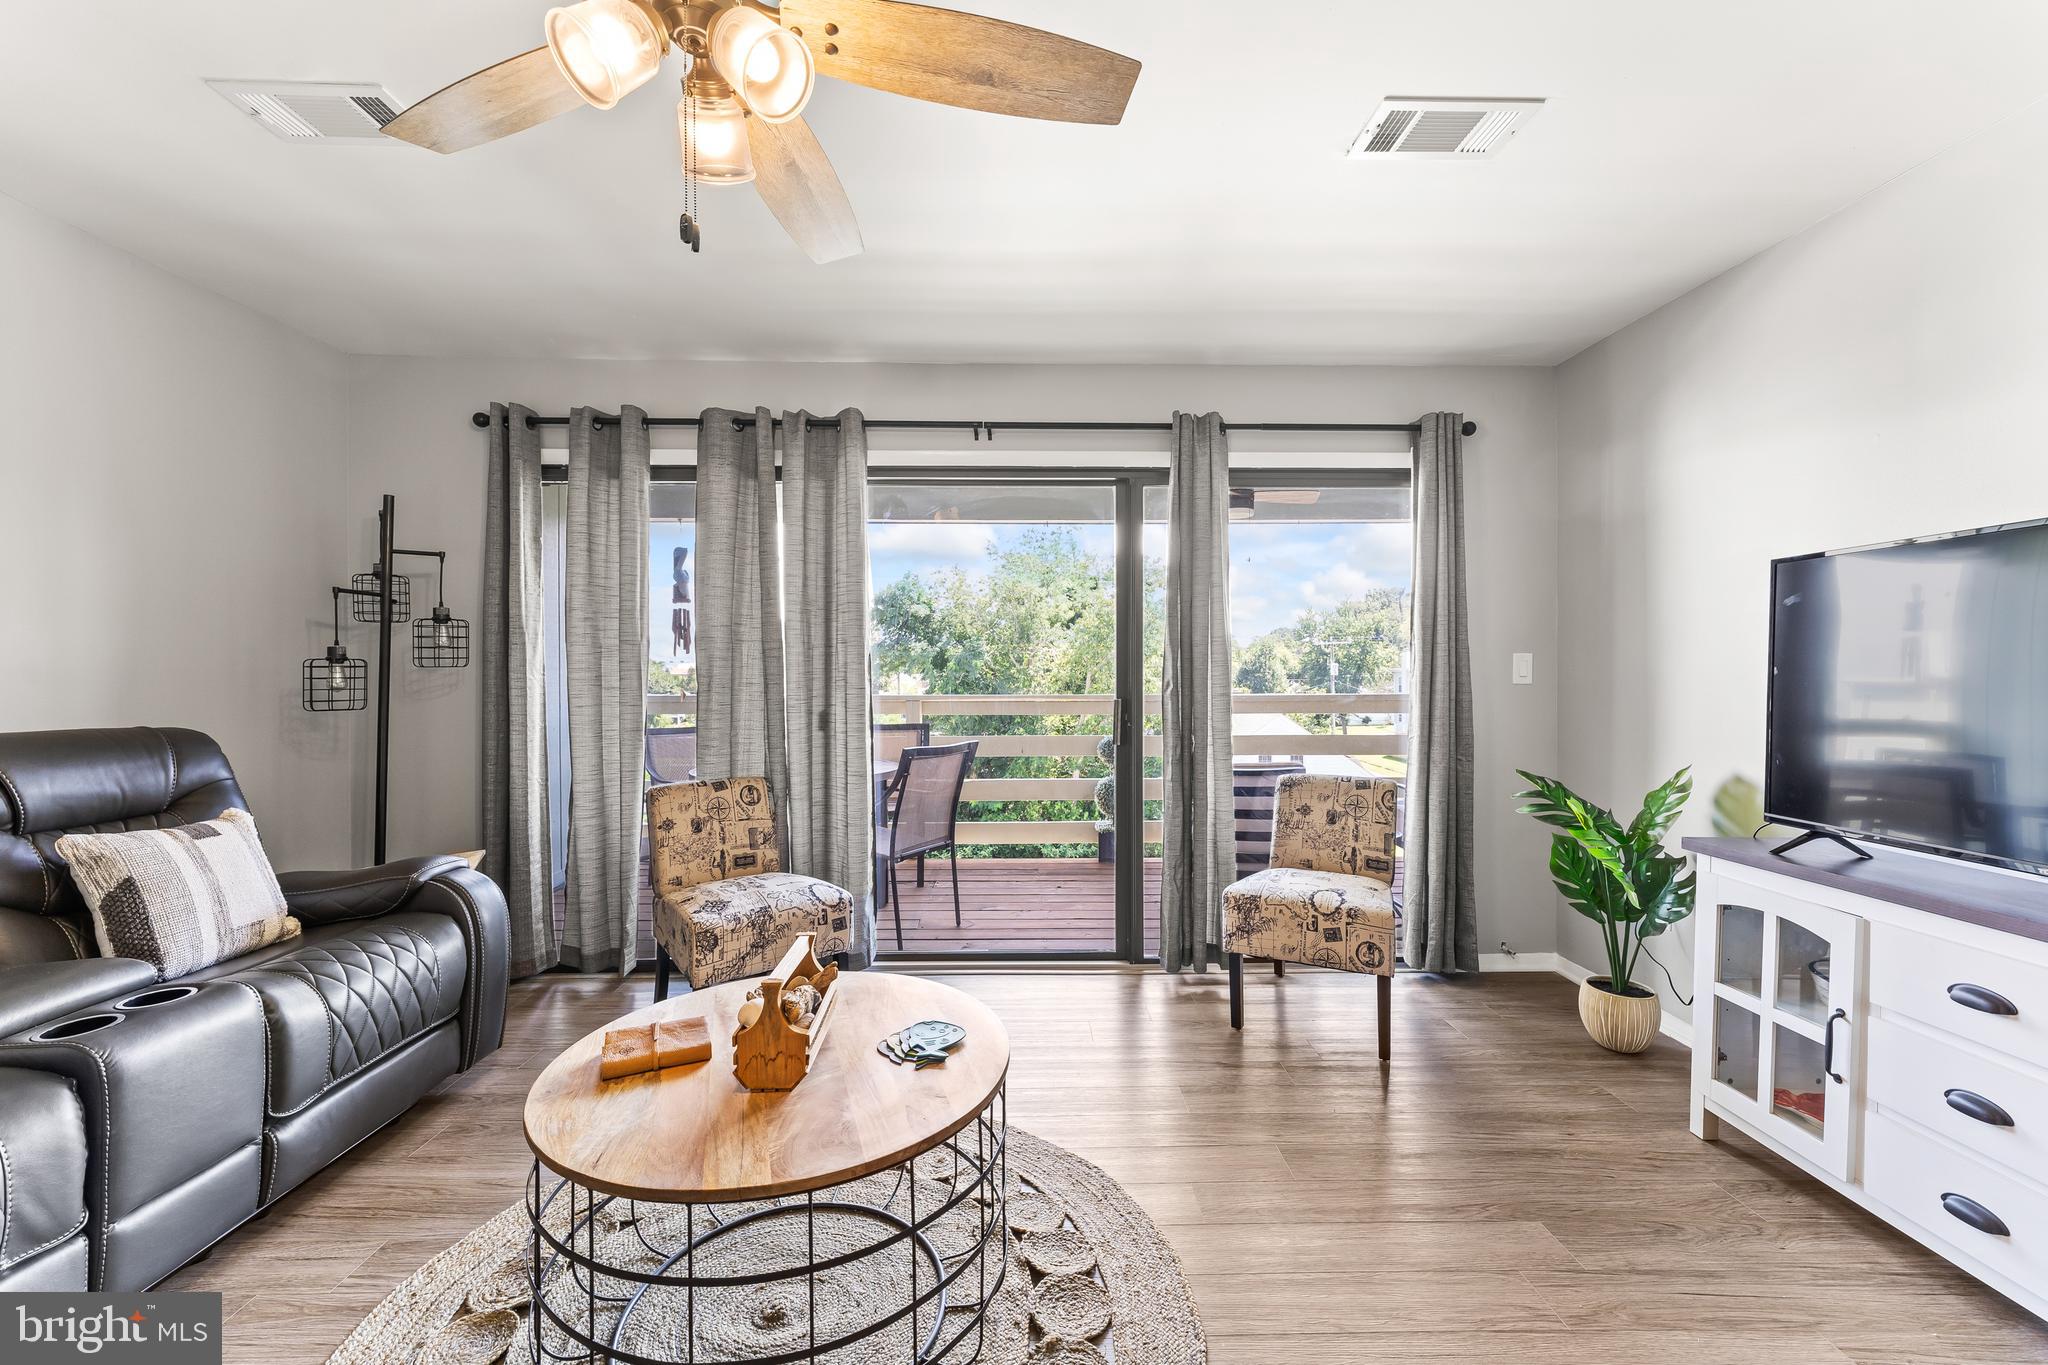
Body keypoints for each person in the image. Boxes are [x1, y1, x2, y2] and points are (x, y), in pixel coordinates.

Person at [671, 546, 693, 656]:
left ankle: (679, 552)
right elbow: (679, 586)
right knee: (677, 570)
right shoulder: (679, 575)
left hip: (683, 584)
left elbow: (685, 551)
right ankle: (680, 552)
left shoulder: (678, 573)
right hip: (683, 585)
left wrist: (684, 552)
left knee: (677, 570)